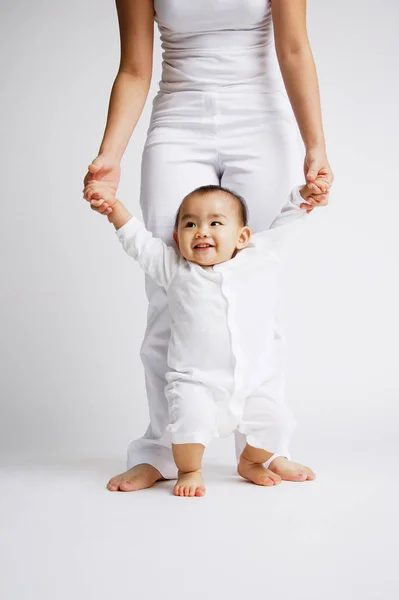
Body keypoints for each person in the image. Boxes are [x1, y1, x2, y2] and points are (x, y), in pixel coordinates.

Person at [83, 0, 333, 491]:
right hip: (179, 121)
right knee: (165, 295)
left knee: (258, 290)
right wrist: (110, 155)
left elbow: (294, 47)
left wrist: (316, 146)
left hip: (261, 122)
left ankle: (264, 447)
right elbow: (135, 68)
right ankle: (160, 448)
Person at [84, 178, 327, 496]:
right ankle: (190, 469)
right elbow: (137, 241)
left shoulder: (258, 258)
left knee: (277, 423)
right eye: (190, 224)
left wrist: (303, 197)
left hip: (253, 383)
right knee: (188, 424)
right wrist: (113, 208)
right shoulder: (174, 269)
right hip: (196, 382)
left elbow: (286, 223)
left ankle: (251, 462)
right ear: (176, 237)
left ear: (242, 237)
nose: (201, 231)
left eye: (215, 222)